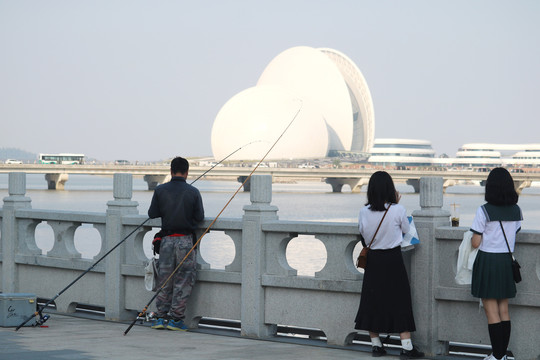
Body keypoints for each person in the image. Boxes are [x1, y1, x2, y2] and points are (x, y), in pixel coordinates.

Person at [354, 171, 424, 358]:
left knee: (372, 301)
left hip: (374, 261)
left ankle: (376, 345)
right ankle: (407, 346)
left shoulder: (363, 211)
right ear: (390, 189)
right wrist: (397, 205)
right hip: (393, 260)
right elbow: (406, 230)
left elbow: (362, 233)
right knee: (400, 301)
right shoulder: (397, 210)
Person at [148, 157, 205, 331]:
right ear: (187, 173)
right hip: (185, 242)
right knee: (183, 281)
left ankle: (159, 317)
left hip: (165, 242)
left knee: (164, 280)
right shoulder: (193, 192)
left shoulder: (160, 190)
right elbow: (200, 217)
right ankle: (176, 320)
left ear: (171, 172)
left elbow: (152, 213)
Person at [471, 167, 522, 360]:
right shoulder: (516, 210)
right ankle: (502, 355)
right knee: (504, 310)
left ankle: (498, 356)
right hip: (505, 262)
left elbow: (476, 242)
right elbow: (513, 234)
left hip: (488, 261)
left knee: (491, 312)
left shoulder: (483, 210)